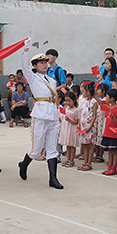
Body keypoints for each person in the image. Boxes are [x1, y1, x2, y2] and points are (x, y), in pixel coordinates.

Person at [18, 41, 64, 189]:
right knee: (36, 149)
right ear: (35, 66)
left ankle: (53, 178)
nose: (45, 64)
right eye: (41, 63)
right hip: (40, 114)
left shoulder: (51, 80)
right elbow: (24, 66)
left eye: (45, 62)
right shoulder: (32, 77)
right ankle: (23, 165)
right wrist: (26, 49)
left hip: (52, 114)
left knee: (52, 149)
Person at [100, 89, 117, 176]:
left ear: (112, 98)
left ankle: (114, 167)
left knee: (114, 151)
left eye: (107, 97)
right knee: (109, 151)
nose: (106, 98)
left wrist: (113, 118)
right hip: (107, 133)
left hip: (114, 134)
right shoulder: (108, 108)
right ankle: (109, 166)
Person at [76, 82, 98, 171]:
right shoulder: (84, 101)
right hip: (83, 125)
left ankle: (89, 163)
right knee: (84, 144)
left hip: (89, 126)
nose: (83, 93)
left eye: (84, 91)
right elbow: (81, 113)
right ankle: (85, 161)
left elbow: (94, 115)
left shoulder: (94, 102)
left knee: (90, 145)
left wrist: (90, 127)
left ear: (88, 92)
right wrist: (79, 124)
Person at [59, 92, 80, 167]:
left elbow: (77, 121)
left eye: (69, 101)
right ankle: (68, 159)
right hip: (66, 128)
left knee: (72, 145)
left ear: (74, 100)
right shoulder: (66, 109)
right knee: (68, 145)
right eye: (66, 101)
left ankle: (71, 160)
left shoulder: (75, 110)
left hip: (72, 129)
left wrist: (69, 120)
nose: (67, 103)